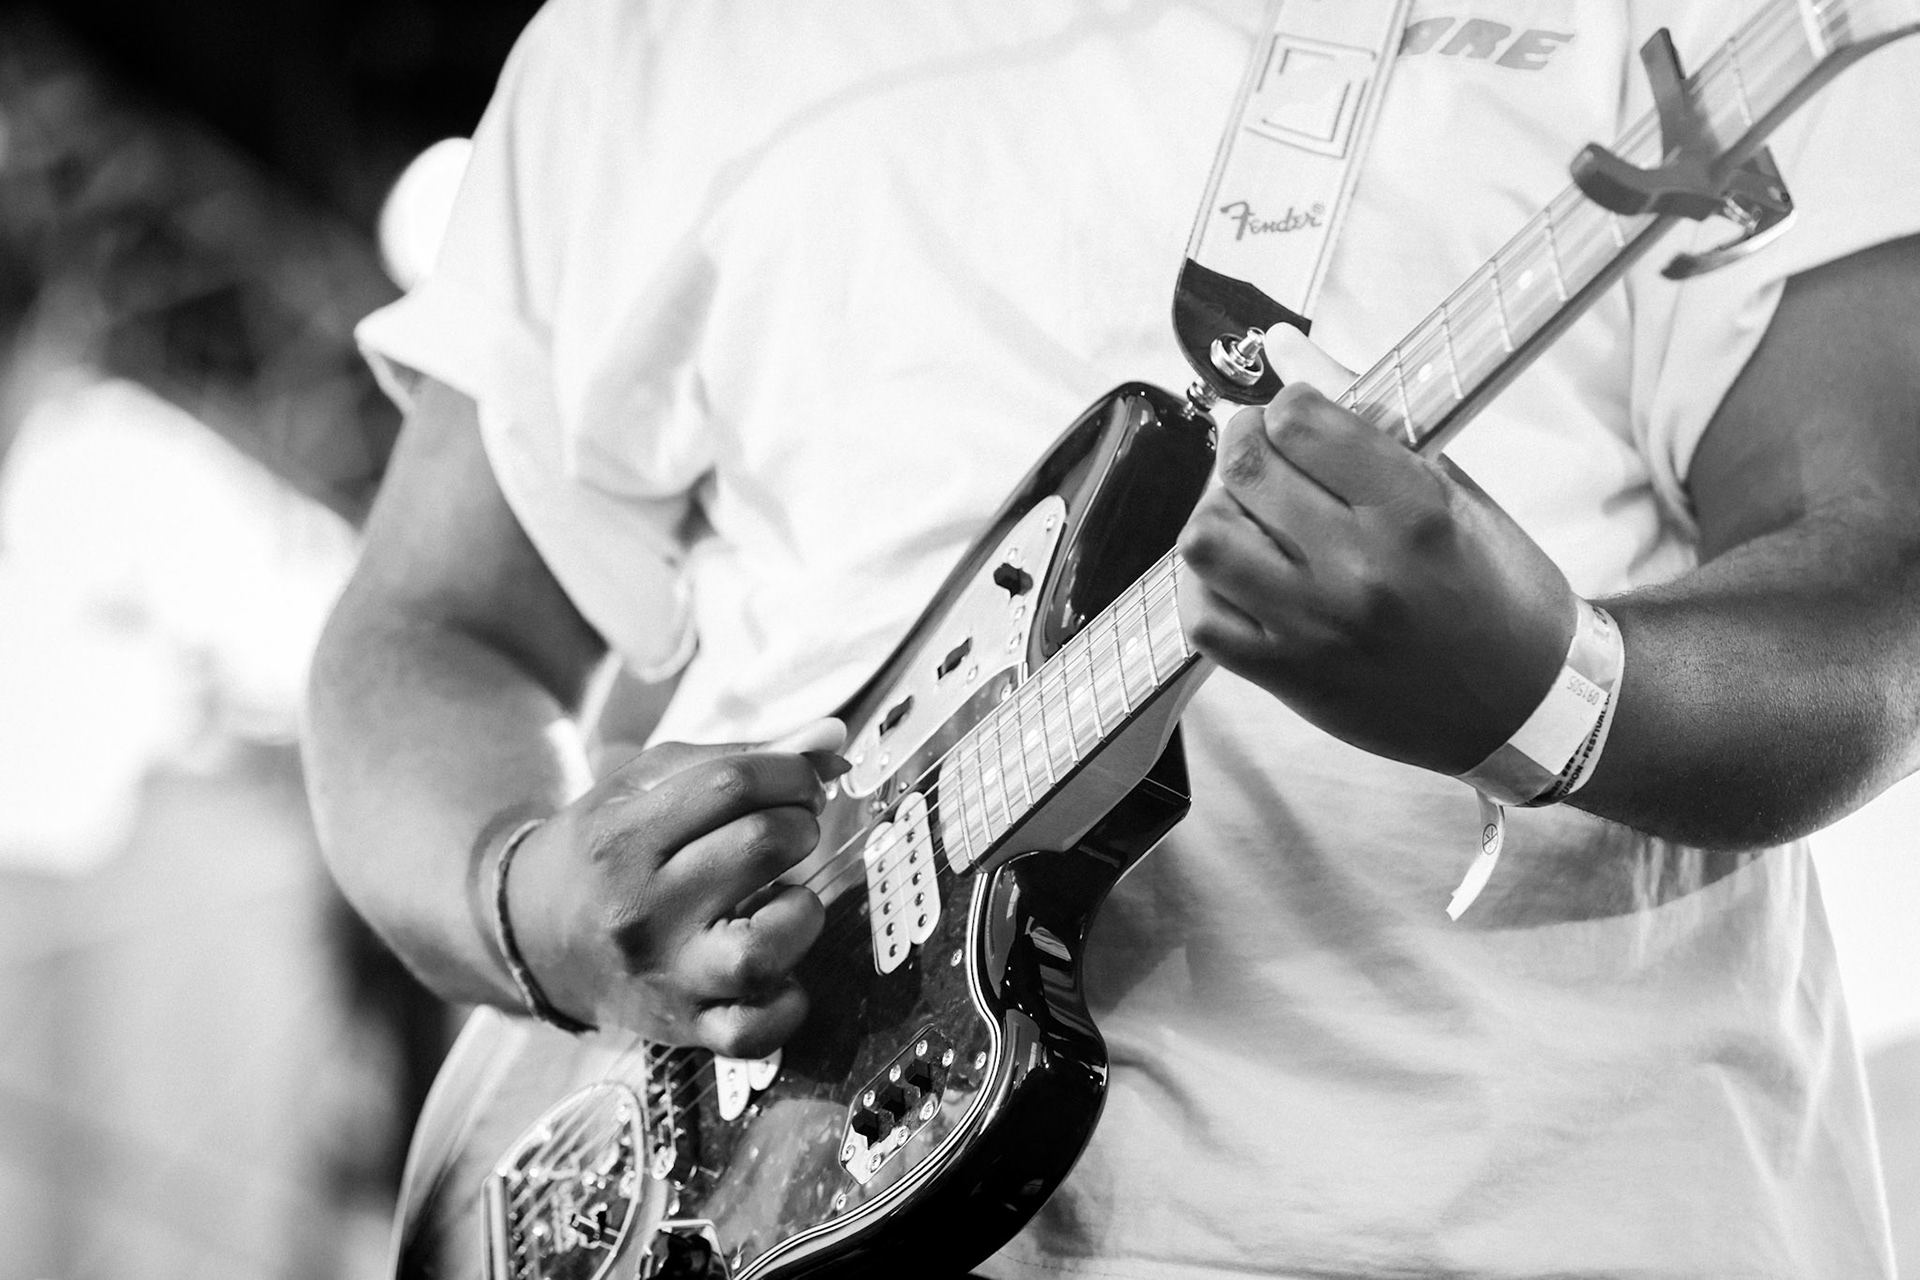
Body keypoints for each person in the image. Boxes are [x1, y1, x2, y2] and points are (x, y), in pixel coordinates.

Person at [302, 1, 1920, 1275]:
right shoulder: (639, 43)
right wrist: (527, 898)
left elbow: (1879, 590)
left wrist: (1552, 686)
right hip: (773, 1203)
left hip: (1520, 1219)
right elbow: (427, 629)